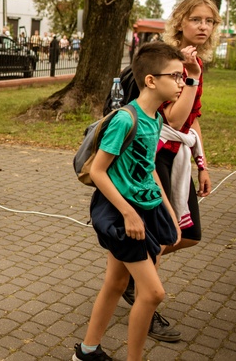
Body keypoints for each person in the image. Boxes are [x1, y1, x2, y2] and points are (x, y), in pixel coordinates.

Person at [73, 42, 182, 361]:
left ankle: (87, 351)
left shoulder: (156, 119)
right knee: (153, 293)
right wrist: (128, 213)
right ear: (151, 80)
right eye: (175, 76)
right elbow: (98, 170)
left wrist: (169, 211)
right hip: (121, 216)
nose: (180, 83)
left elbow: (148, 170)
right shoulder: (125, 119)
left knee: (116, 282)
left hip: (145, 210)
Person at [128, 0, 220, 342]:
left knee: (189, 234)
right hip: (156, 157)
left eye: (209, 21)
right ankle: (143, 296)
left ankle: (131, 268)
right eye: (196, 19)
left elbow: (192, 124)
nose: (203, 27)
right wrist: (191, 78)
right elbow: (175, 118)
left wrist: (203, 165)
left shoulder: (195, 66)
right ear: (180, 22)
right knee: (167, 232)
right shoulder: (171, 63)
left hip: (179, 156)